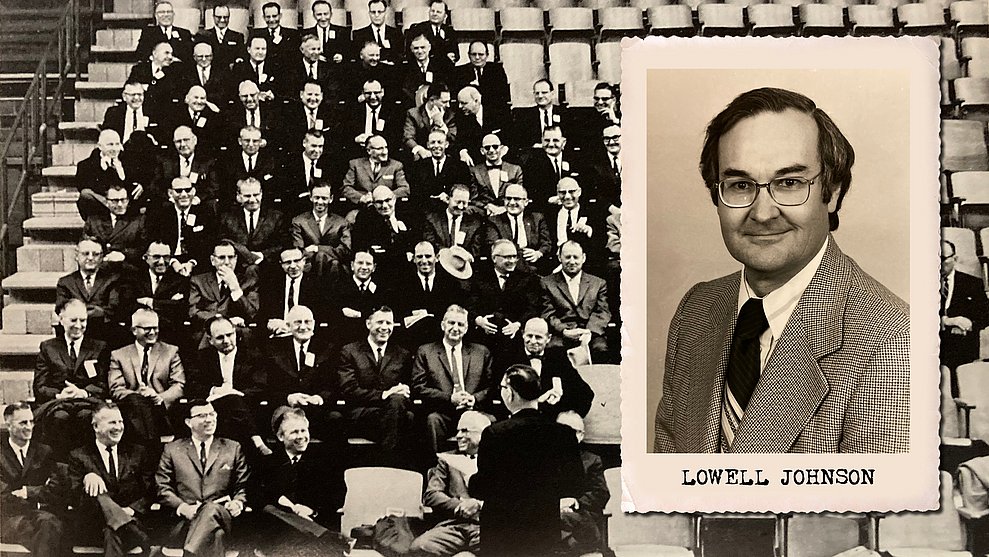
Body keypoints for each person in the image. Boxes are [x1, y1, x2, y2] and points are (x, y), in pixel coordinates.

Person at [653, 87, 910, 454]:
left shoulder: (894, 341)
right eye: (740, 185)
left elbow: (874, 511)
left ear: (833, 191)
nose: (762, 213)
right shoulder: (697, 310)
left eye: (789, 183)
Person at [469, 364, 584, 557]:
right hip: (544, 531)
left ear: (510, 393)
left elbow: (481, 488)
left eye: (502, 388)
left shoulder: (495, 433)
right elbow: (576, 484)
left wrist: (470, 479)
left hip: (501, 534)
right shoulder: (563, 434)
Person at [156, 400, 249, 557]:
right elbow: (162, 487)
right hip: (187, 521)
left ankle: (189, 553)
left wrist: (238, 502)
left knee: (211, 508)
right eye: (202, 415)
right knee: (217, 535)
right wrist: (183, 508)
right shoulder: (173, 449)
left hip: (223, 515)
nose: (209, 419)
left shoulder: (232, 448)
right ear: (188, 422)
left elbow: (243, 485)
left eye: (212, 414)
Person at [255, 407, 348, 553]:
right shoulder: (268, 463)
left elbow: (338, 495)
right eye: (294, 432)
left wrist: (312, 510)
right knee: (269, 510)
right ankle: (328, 538)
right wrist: (292, 509)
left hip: (314, 527)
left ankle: (320, 535)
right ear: (281, 436)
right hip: (279, 535)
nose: (301, 436)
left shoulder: (324, 462)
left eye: (304, 431)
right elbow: (257, 495)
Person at [67, 403, 154, 557]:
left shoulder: (137, 452)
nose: (119, 427)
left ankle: (123, 523)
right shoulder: (79, 456)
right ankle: (127, 526)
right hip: (94, 526)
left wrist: (131, 510)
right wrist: (88, 478)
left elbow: (149, 492)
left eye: (120, 422)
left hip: (133, 519)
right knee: (107, 521)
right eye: (112, 422)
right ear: (96, 426)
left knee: (112, 531)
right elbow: (76, 499)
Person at [337, 306, 415, 466]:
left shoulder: (402, 354)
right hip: (361, 415)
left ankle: (383, 462)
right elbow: (349, 390)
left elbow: (408, 389)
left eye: (389, 323)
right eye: (380, 322)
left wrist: (403, 391)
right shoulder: (350, 351)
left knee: (401, 406)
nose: (385, 328)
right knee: (402, 414)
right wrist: (384, 395)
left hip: (392, 413)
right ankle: (391, 465)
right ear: (368, 324)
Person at [33, 299, 110, 458]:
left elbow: (103, 383)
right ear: (61, 320)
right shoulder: (48, 347)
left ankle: (87, 463)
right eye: (73, 320)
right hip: (58, 403)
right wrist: (60, 395)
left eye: (83, 320)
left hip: (86, 401)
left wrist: (83, 392)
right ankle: (61, 465)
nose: (78, 325)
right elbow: (40, 386)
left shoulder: (98, 347)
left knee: (86, 416)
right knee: (60, 417)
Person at [412, 304, 494, 454]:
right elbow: (418, 387)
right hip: (442, 412)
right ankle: (437, 469)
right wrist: (450, 398)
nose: (455, 328)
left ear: (467, 328)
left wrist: (474, 399)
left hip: (474, 412)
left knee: (493, 422)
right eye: (451, 323)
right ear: (443, 325)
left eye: (460, 324)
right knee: (432, 421)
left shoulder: (481, 352)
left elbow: (491, 387)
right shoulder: (426, 351)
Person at [410, 411, 491, 556]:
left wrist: (479, 505)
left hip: (486, 526)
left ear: (483, 434)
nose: (458, 436)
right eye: (458, 431)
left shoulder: (497, 460)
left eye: (465, 431)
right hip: (454, 526)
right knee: (420, 547)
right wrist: (459, 505)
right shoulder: (446, 459)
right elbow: (431, 494)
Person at [189, 316, 271, 457]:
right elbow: (193, 385)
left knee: (233, 400)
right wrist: (215, 390)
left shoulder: (252, 355)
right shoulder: (203, 357)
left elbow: (260, 386)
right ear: (210, 340)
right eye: (220, 337)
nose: (226, 341)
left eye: (230, 335)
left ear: (235, 332)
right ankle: (256, 440)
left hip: (245, 406)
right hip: (214, 407)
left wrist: (234, 393)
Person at [109, 307, 185, 447]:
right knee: (137, 403)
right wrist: (139, 395)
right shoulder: (119, 355)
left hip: (161, 409)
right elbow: (116, 388)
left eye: (155, 328)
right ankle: (152, 449)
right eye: (147, 329)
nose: (152, 332)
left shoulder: (171, 351)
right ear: (134, 330)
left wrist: (158, 397)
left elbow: (179, 385)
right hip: (133, 410)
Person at [0, 402, 65, 557]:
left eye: (31, 421)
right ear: (8, 425)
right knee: (51, 530)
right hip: (10, 519)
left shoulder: (44, 451)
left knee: (50, 528)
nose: (29, 427)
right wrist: (39, 494)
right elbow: (3, 496)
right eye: (23, 422)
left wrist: (28, 492)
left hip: (41, 516)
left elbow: (56, 488)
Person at [502, 317, 594, 419]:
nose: (533, 341)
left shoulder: (558, 358)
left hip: (550, 425)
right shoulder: (509, 358)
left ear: (548, 338)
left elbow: (585, 394)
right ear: (523, 334)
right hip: (517, 424)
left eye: (538, 337)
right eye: (529, 336)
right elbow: (499, 395)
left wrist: (567, 420)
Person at [541, 240, 612, 362]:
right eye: (567, 257)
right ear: (559, 257)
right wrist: (564, 330)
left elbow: (602, 312)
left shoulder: (598, 283)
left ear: (583, 258)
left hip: (590, 334)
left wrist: (589, 331)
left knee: (601, 348)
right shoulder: (547, 283)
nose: (572, 261)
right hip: (561, 334)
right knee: (553, 349)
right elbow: (547, 313)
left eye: (576, 257)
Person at [940, 239, 989, 397]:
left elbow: (986, 315)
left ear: (955, 258)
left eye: (943, 259)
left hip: (962, 346)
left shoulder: (972, 283)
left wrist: (970, 324)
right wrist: (948, 321)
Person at [556, 411, 608, 554]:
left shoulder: (592, 461)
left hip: (581, 519)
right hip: (554, 516)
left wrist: (574, 503)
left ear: (580, 436)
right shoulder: (545, 461)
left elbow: (601, 493)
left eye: (570, 431)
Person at [55, 239, 125, 342]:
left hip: (104, 333)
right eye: (85, 254)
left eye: (96, 254)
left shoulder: (112, 279)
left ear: (101, 258)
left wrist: (78, 310)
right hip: (76, 333)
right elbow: (61, 307)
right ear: (77, 256)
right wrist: (93, 311)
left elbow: (114, 308)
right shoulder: (65, 282)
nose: (91, 258)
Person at [187, 240, 261, 336]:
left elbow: (252, 314)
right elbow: (193, 313)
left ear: (236, 259)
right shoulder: (198, 281)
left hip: (237, 334)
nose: (227, 262)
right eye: (222, 257)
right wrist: (224, 321)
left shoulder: (248, 281)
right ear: (213, 260)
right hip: (208, 334)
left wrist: (235, 288)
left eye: (230, 257)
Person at [217, 177, 290, 268]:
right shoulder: (227, 217)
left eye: (256, 195)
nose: (252, 200)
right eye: (247, 196)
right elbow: (223, 241)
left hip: (267, 267)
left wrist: (262, 255)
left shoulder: (276, 217)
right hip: (238, 268)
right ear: (239, 196)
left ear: (261, 194)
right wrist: (245, 254)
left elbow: (283, 244)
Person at [75, 129, 145, 220]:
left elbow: (136, 181)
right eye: (110, 145)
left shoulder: (129, 160)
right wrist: (106, 169)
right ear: (100, 146)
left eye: (117, 144)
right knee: (86, 194)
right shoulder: (86, 165)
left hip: (126, 202)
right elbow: (85, 188)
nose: (115, 149)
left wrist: (140, 185)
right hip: (104, 205)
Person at [291, 181, 352, 279]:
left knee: (334, 263)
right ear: (311, 197)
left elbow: (346, 251)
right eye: (316, 197)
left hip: (335, 270)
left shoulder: (341, 222)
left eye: (324, 198)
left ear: (331, 199)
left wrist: (317, 249)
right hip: (308, 271)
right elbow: (299, 252)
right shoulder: (299, 221)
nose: (320, 202)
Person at [487, 184, 552, 275]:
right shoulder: (494, 221)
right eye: (508, 199)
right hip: (507, 268)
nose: (512, 203)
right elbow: (494, 247)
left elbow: (546, 243)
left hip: (535, 267)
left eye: (517, 199)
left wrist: (538, 253)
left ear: (526, 202)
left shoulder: (537, 218)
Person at [83, 184, 146, 270]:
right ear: (106, 202)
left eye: (123, 200)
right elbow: (84, 246)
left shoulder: (138, 221)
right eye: (115, 201)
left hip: (127, 271)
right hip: (100, 271)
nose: (120, 204)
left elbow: (143, 248)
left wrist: (124, 255)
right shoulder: (94, 221)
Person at [422, 183, 492, 260]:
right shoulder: (432, 220)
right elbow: (431, 244)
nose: (461, 206)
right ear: (448, 199)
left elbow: (475, 250)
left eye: (464, 203)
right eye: (458, 202)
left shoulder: (475, 224)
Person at [341, 134, 411, 208]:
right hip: (361, 208)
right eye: (380, 149)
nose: (385, 152)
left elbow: (405, 189)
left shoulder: (396, 165)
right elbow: (346, 188)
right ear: (369, 150)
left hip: (386, 209)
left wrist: (384, 197)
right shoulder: (355, 164)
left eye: (386, 147)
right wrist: (362, 198)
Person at [468, 133, 523, 217]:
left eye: (495, 146)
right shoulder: (475, 171)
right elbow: (473, 199)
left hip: (509, 212)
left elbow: (519, 196)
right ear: (482, 151)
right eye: (487, 147)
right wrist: (487, 206)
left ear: (501, 148)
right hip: (485, 213)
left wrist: (504, 208)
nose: (491, 150)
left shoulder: (515, 170)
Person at [352, 0, 404, 64]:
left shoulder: (396, 33)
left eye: (380, 12)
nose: (376, 15)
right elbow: (358, 59)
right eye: (373, 12)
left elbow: (400, 57)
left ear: (385, 12)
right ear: (369, 13)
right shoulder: (359, 35)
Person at [302, 0, 351, 64]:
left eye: (326, 14)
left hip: (336, 70)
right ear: (314, 15)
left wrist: (342, 57)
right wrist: (314, 56)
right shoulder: (306, 33)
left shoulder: (342, 32)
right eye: (319, 14)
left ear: (331, 14)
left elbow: (350, 53)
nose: (323, 18)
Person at [197, 5, 245, 71]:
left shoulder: (237, 37)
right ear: (213, 17)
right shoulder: (203, 36)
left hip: (229, 74)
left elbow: (240, 57)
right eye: (219, 17)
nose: (222, 20)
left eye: (225, 17)